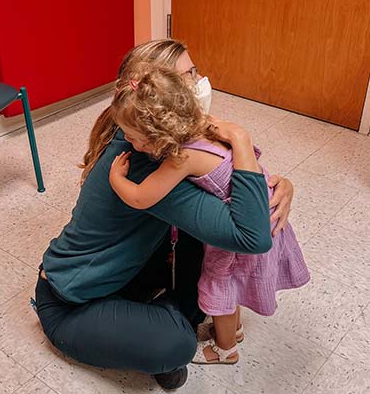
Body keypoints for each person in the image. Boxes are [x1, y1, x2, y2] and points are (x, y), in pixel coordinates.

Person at [34, 39, 294, 390]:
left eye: (194, 71)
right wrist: (243, 143)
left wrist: (280, 185)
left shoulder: (160, 138)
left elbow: (225, 180)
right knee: (178, 344)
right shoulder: (146, 159)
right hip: (71, 304)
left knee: (202, 250)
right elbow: (252, 236)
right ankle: (166, 319)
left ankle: (165, 309)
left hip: (125, 271)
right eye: (185, 77)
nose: (198, 83)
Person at [108, 65, 310, 365]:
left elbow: (140, 197)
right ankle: (235, 330)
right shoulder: (204, 126)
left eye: (133, 137)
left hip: (245, 228)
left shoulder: (182, 157)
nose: (129, 142)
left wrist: (116, 180)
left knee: (221, 286)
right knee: (235, 284)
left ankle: (225, 350)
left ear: (156, 136)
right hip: (264, 209)